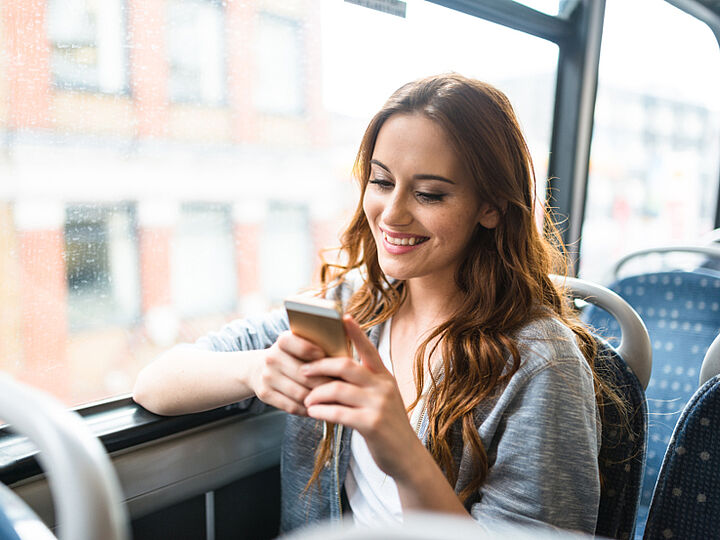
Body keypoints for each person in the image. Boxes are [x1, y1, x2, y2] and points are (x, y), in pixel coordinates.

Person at [133, 73, 608, 535]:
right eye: (381, 183)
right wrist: (255, 370)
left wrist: (402, 453)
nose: (393, 214)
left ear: (491, 208)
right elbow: (155, 384)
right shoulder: (353, 305)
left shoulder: (542, 362)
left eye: (428, 194)